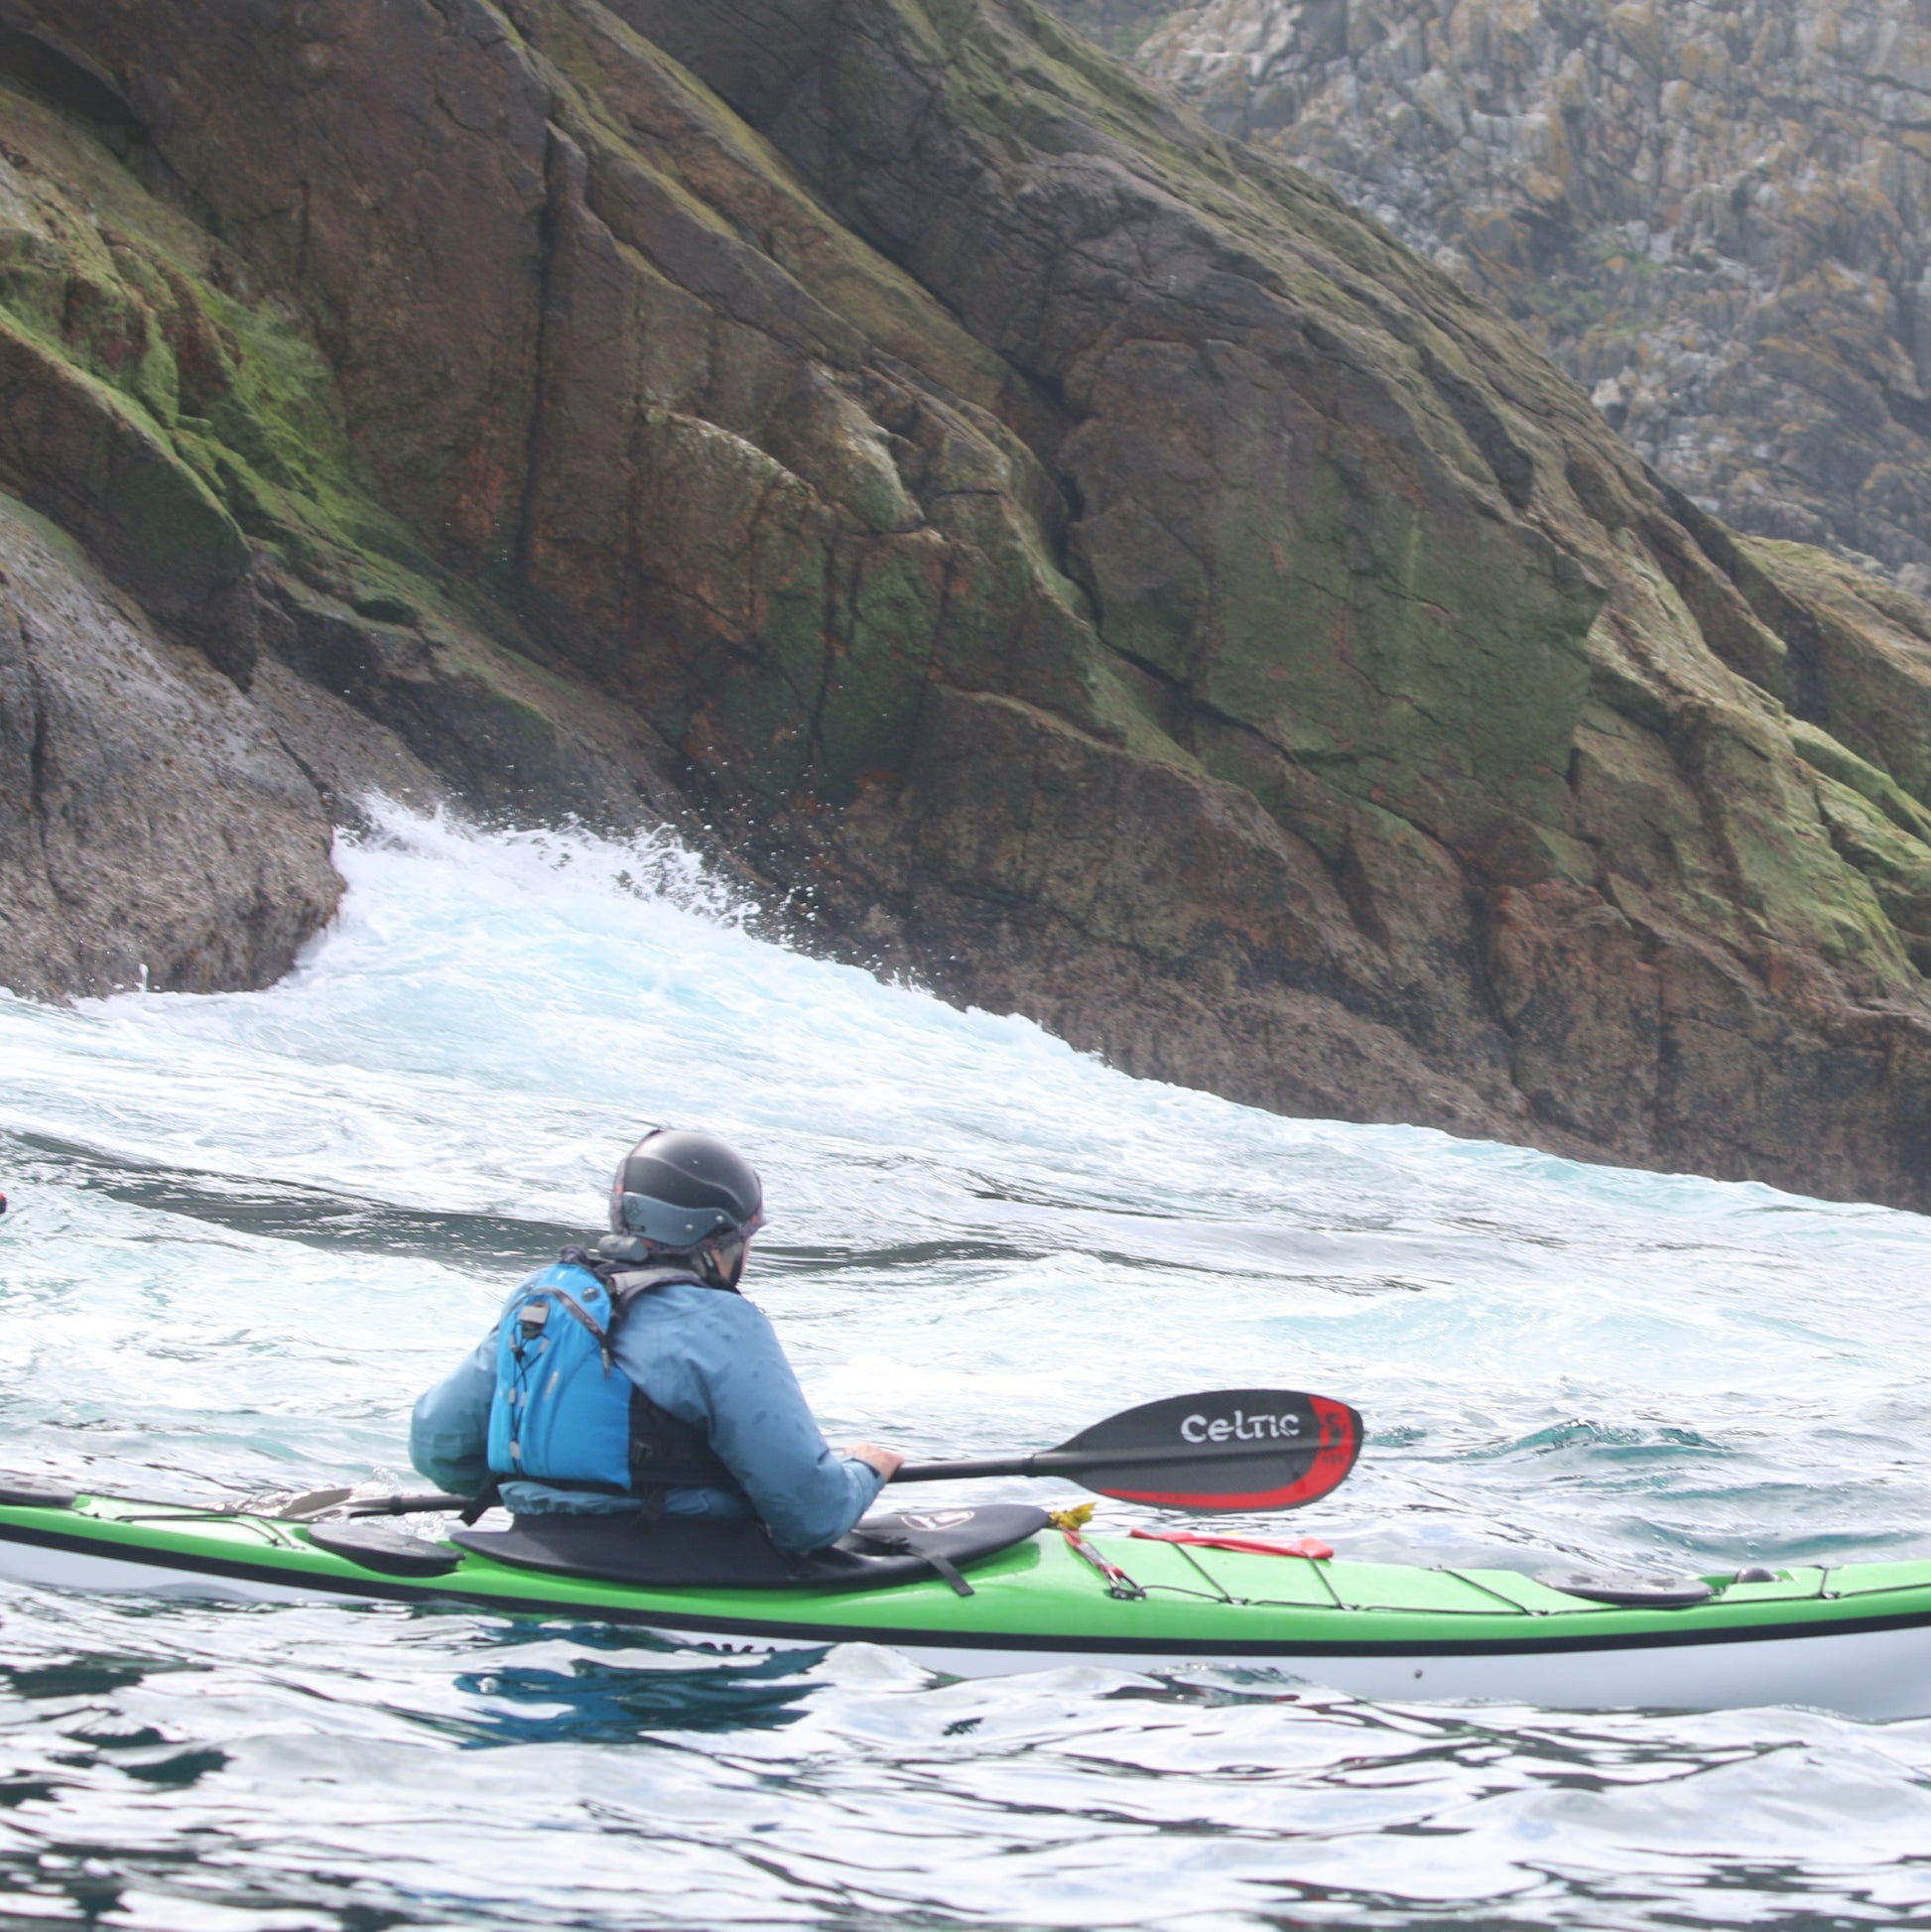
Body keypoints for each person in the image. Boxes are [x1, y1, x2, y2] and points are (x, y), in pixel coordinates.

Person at [410, 1129, 902, 1552]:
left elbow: (439, 1449)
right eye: (745, 1238)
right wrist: (865, 1471)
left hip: (533, 1543)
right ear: (719, 1238)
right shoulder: (719, 1321)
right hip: (673, 1563)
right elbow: (811, 1516)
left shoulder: (543, 1296)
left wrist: (553, 1495)